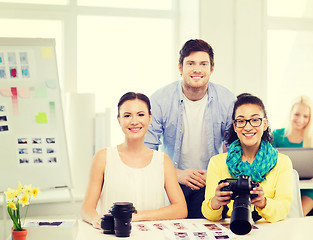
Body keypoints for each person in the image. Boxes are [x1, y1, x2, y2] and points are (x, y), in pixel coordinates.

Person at [144, 39, 235, 218]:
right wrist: (175, 174)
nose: (197, 69)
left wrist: (216, 174)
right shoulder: (160, 99)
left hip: (211, 181)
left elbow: (234, 147)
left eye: (203, 64)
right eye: (190, 63)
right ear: (180, 68)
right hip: (171, 181)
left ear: (211, 69)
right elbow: (147, 150)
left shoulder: (226, 99)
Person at [81, 92, 187, 229]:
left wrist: (136, 216)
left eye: (140, 114)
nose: (134, 121)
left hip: (152, 236)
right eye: (127, 115)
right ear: (118, 120)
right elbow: (86, 208)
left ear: (150, 118)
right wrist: (96, 220)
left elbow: (181, 209)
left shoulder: (162, 160)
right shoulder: (103, 157)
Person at [202, 93, 293, 223]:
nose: (248, 127)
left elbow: (283, 209)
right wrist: (215, 202)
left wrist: (264, 202)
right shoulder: (217, 163)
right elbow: (209, 214)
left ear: (265, 123)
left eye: (255, 120)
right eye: (241, 121)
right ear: (235, 126)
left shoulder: (283, 162)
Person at [272, 95, 313, 216]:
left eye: (305, 116)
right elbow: (266, 163)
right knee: (280, 217)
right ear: (290, 114)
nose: (300, 119)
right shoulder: (276, 135)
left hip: (307, 192)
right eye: (297, 114)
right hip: (280, 190)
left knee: (295, 216)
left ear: (310, 118)